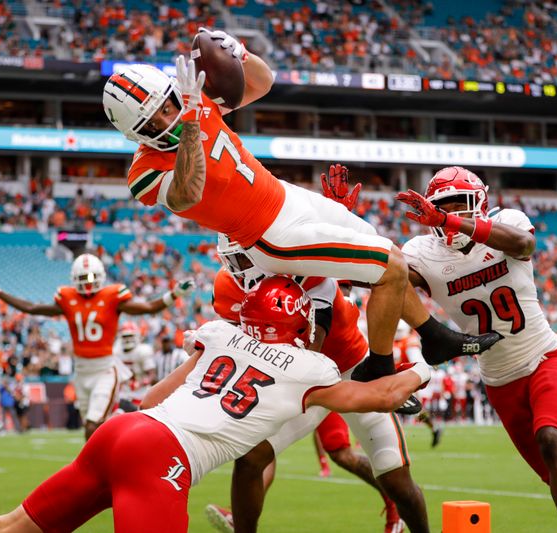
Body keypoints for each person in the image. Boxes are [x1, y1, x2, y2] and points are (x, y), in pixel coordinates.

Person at [103, 30, 492, 387]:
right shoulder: (145, 170)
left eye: (167, 108)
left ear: (174, 92)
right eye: (153, 125)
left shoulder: (194, 98)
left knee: (379, 244)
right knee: (389, 265)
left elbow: (262, 82)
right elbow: (187, 191)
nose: (167, 122)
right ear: (136, 135)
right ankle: (381, 364)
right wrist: (188, 117)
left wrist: (238, 51)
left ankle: (433, 337)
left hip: (287, 197)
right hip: (270, 236)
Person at [0, 276, 431, 533]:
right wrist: (428, 364)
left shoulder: (219, 334)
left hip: (127, 430)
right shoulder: (306, 367)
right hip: (162, 458)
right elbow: (380, 393)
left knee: (12, 526)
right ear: (301, 326)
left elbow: (152, 398)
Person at [397, 166, 557, 533]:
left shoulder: (508, 222)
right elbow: (385, 275)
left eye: (459, 207)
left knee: (552, 442)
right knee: (554, 474)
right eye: (443, 208)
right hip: (499, 380)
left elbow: (524, 245)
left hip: (543, 358)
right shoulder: (423, 251)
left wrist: (457, 223)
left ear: (480, 204)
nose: (450, 215)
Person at [206, 234, 424, 533]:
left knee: (395, 476)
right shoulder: (227, 286)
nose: (241, 267)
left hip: (348, 369)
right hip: (291, 374)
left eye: (247, 256)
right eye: (235, 259)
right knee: (251, 458)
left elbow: (312, 345)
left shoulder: (309, 269)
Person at [0, 252, 194, 440]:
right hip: (80, 371)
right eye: (83, 278)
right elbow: (33, 307)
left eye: (92, 278)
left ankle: (99, 471)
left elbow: (146, 307)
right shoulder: (68, 298)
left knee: (93, 424)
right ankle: (107, 461)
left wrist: (173, 295)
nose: (88, 283)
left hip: (104, 369)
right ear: (73, 279)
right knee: (89, 428)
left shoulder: (111, 296)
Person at [114, 321, 156, 411]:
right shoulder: (117, 352)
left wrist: (141, 383)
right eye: (125, 336)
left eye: (130, 336)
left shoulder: (142, 351)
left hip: (140, 393)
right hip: (124, 392)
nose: (128, 339)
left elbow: (151, 374)